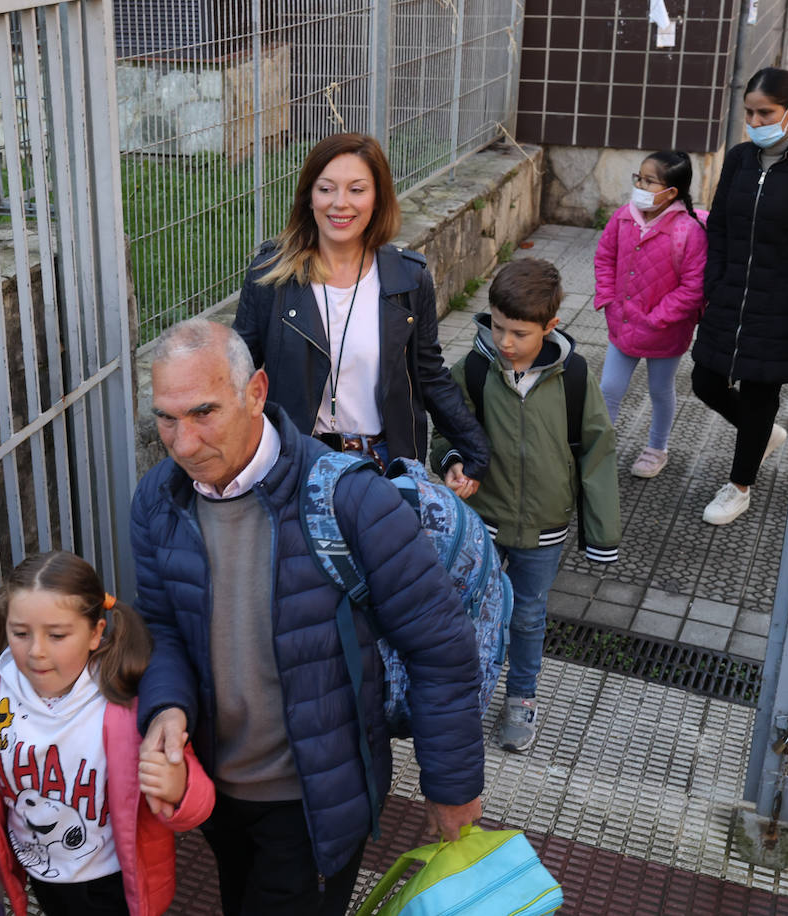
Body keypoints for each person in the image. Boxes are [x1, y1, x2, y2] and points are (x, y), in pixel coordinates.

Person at [132, 318, 484, 915]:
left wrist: (451, 786)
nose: (182, 443)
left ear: (257, 392)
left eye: (203, 413)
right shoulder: (158, 501)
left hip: (314, 803)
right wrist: (167, 705)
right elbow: (162, 627)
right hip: (216, 794)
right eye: (166, 418)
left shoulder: (351, 500)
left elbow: (440, 646)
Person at [0, 551, 214, 916]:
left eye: (56, 635)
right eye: (20, 633)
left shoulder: (127, 700)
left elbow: (199, 802)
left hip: (119, 881)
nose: (36, 651)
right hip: (42, 874)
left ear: (95, 633)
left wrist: (178, 787)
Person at [232, 132, 489, 492]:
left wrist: (472, 450)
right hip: (296, 466)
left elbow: (428, 375)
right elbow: (236, 375)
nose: (340, 203)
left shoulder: (409, 280)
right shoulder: (270, 278)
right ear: (308, 196)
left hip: (384, 469)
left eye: (356, 189)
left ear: (378, 197)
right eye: (326, 189)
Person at [442, 259, 621, 753]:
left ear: (550, 326)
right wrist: (453, 462)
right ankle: (459, 695)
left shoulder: (576, 378)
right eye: (498, 326)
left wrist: (601, 535)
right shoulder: (473, 370)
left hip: (545, 528)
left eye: (519, 333)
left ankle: (521, 696)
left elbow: (597, 451)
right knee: (469, 609)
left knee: (527, 615)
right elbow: (447, 431)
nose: (505, 341)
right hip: (483, 521)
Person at [692, 67, 788, 525]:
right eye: (749, 113)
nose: (754, 122)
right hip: (730, 293)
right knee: (706, 381)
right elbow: (717, 228)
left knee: (759, 391)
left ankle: (739, 486)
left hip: (782, 302)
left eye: (765, 113)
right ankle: (762, 435)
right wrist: (713, 285)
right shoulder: (738, 159)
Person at [594, 150, 708, 478]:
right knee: (609, 389)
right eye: (638, 178)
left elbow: (693, 287)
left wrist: (657, 318)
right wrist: (608, 298)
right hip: (623, 324)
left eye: (649, 180)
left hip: (665, 331)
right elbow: (605, 257)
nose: (640, 185)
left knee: (660, 390)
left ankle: (657, 448)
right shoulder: (623, 217)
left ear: (671, 192)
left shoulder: (689, 231)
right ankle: (598, 449)